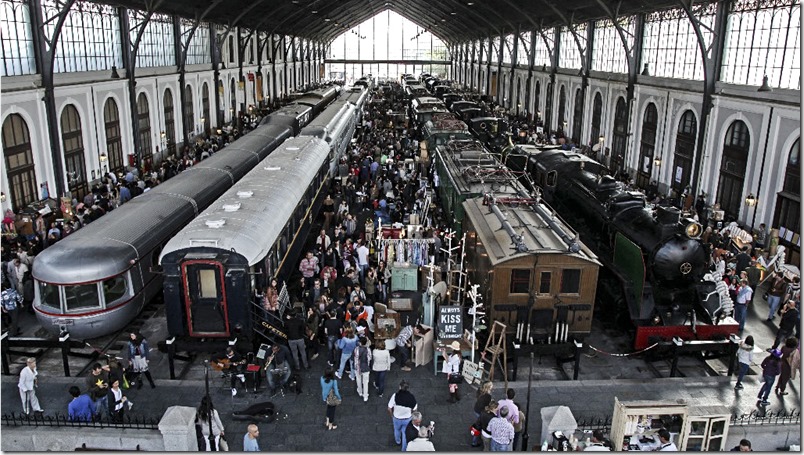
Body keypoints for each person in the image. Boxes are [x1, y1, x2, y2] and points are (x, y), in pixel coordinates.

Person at [388, 380, 418, 451]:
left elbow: (389, 408)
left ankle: (398, 441)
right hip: (407, 419)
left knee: (397, 430)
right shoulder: (411, 397)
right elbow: (415, 410)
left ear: (400, 387)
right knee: (405, 434)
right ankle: (404, 449)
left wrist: (392, 416)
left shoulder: (395, 396)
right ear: (408, 388)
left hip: (396, 418)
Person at [472, 381, 494, 447]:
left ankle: (475, 439)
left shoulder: (480, 390)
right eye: (491, 386)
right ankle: (474, 442)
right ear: (488, 387)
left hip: (476, 409)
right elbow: (487, 406)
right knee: (479, 426)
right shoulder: (488, 396)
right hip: (481, 412)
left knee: (478, 424)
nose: (492, 387)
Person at [353, 336, 373, 401]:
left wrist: (356, 366)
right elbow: (369, 358)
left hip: (358, 367)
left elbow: (355, 359)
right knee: (365, 382)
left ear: (360, 343)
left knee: (358, 379)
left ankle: (360, 391)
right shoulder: (368, 349)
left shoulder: (356, 349)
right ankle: (365, 396)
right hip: (366, 367)